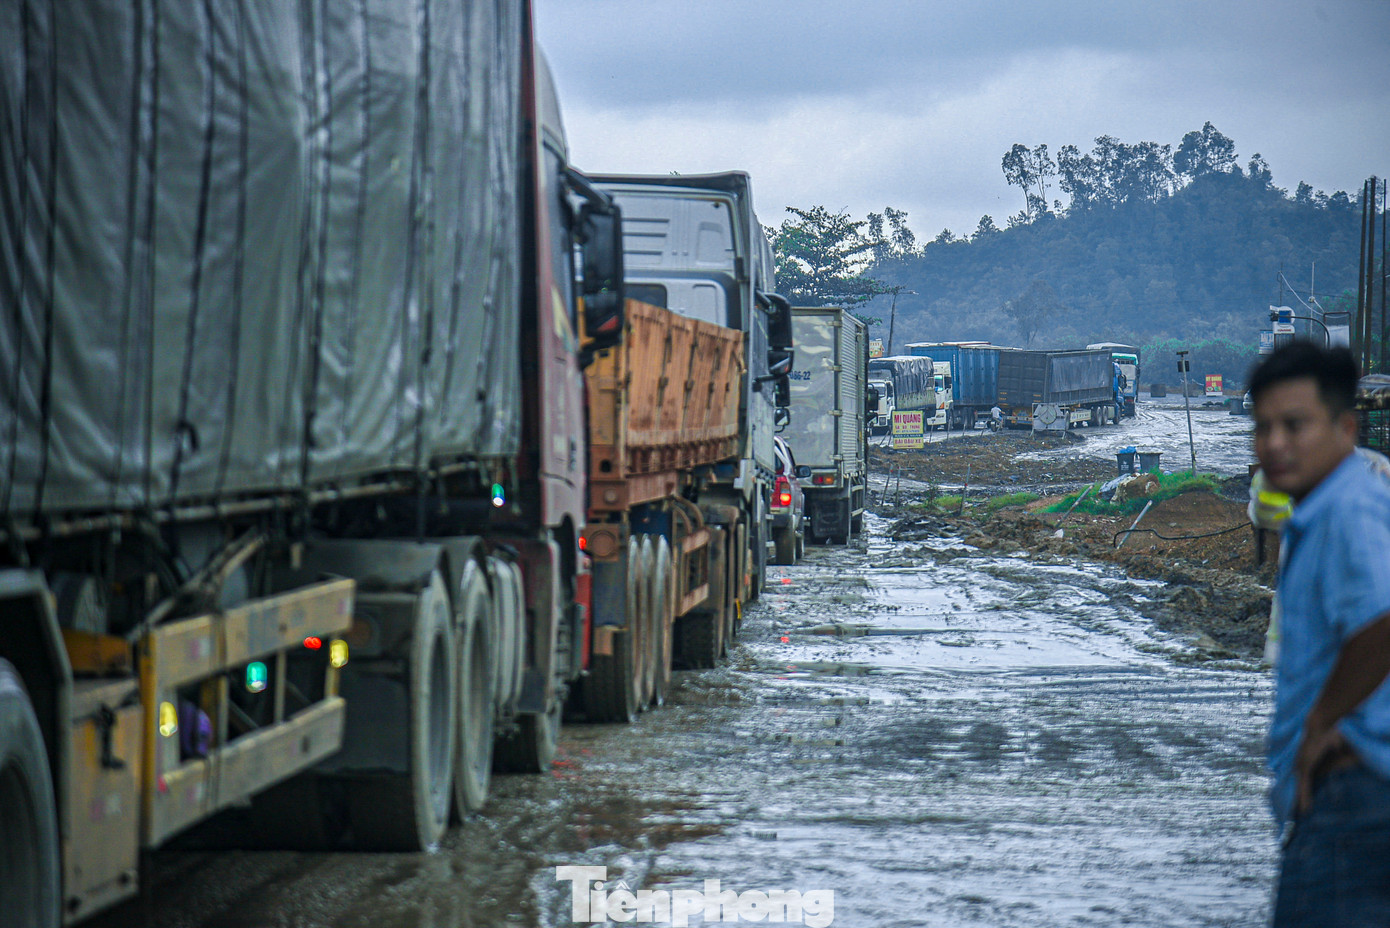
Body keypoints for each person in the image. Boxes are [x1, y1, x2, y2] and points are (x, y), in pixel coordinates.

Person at [1249, 340, 1390, 925]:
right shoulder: (1319, 510)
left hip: (1349, 797)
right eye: (1263, 428)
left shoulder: (1348, 508)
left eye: (1295, 425)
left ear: (1345, 428)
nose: (1275, 444)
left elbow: (1383, 621)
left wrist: (1319, 723)